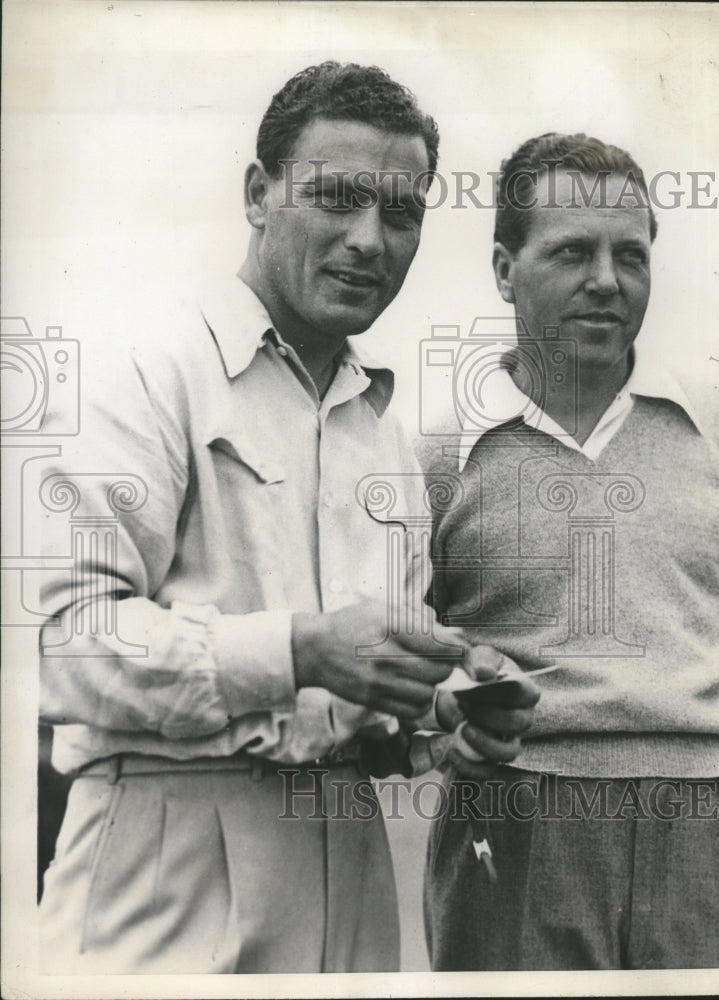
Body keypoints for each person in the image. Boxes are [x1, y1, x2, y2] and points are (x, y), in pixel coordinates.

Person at [36, 62, 537, 974]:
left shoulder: (380, 431)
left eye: (401, 213)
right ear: (258, 194)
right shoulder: (149, 372)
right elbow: (65, 648)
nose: (368, 240)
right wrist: (300, 649)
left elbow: (367, 708)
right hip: (162, 870)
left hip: (351, 870)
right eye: (337, 198)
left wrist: (443, 717)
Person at [419, 133, 719, 970]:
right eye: (572, 251)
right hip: (515, 826)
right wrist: (448, 709)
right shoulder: (438, 452)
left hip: (709, 828)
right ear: (504, 269)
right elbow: (400, 663)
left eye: (629, 255)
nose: (606, 280)